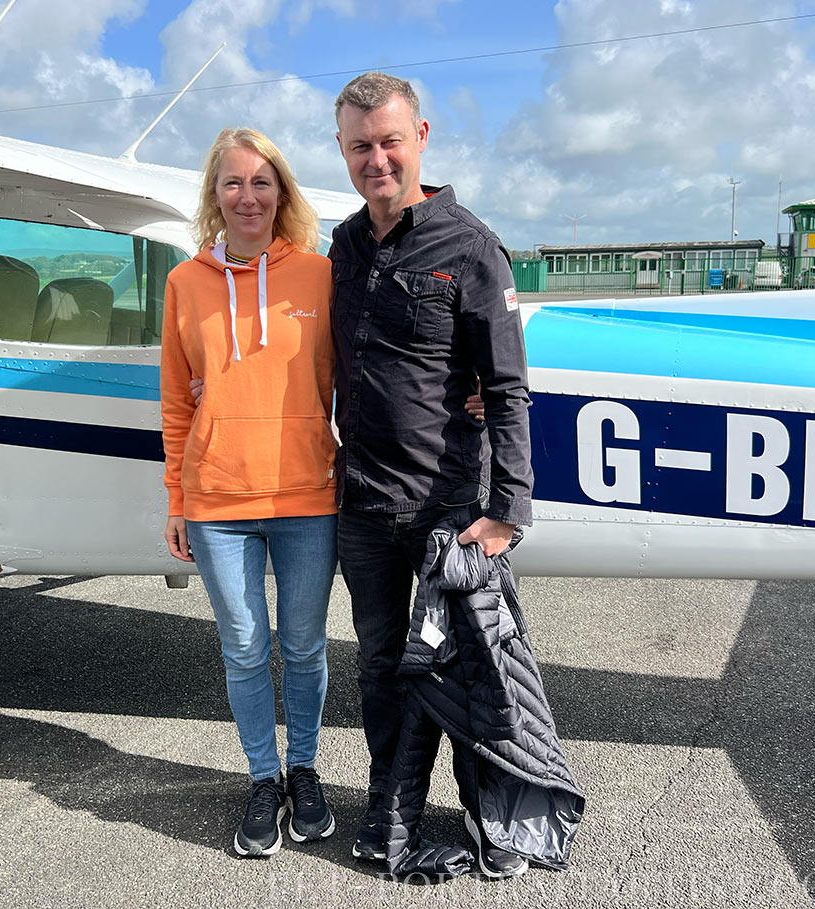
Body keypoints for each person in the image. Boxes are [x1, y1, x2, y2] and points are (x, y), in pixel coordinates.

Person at [329, 72, 534, 875]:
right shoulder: (343, 245)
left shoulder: (471, 246)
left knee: (468, 662)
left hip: (449, 505)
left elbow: (509, 387)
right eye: (359, 145)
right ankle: (391, 807)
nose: (376, 158)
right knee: (380, 663)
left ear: (421, 137)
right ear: (341, 150)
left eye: (389, 140)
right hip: (364, 503)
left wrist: (506, 508)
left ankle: (495, 816)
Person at [159, 127, 338, 858]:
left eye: (263, 182)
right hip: (218, 502)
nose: (248, 196)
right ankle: (264, 777)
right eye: (233, 183)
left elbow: (363, 376)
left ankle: (305, 768)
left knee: (304, 646)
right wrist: (177, 493)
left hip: (306, 493)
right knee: (243, 647)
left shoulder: (321, 276)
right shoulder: (183, 284)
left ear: (283, 194)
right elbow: (176, 401)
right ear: (214, 195)